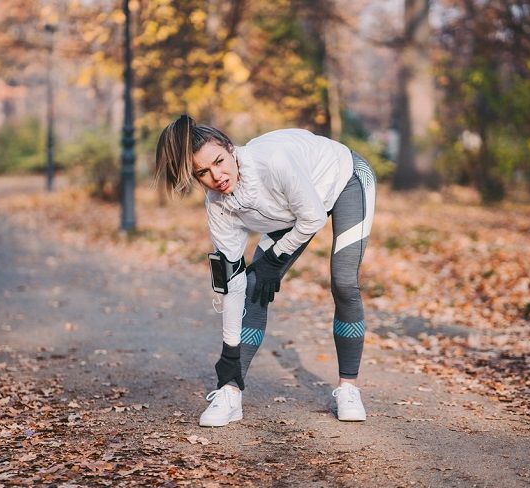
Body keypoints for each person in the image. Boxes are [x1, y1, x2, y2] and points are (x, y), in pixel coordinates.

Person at [155, 115, 376, 427]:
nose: (217, 176)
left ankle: (348, 389)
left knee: (343, 281)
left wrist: (275, 258)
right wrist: (229, 355)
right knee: (254, 285)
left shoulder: (273, 162)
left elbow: (312, 218)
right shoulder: (218, 206)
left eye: (219, 161)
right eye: (202, 172)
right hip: (289, 209)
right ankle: (230, 392)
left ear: (230, 149)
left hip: (344, 179)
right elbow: (232, 282)